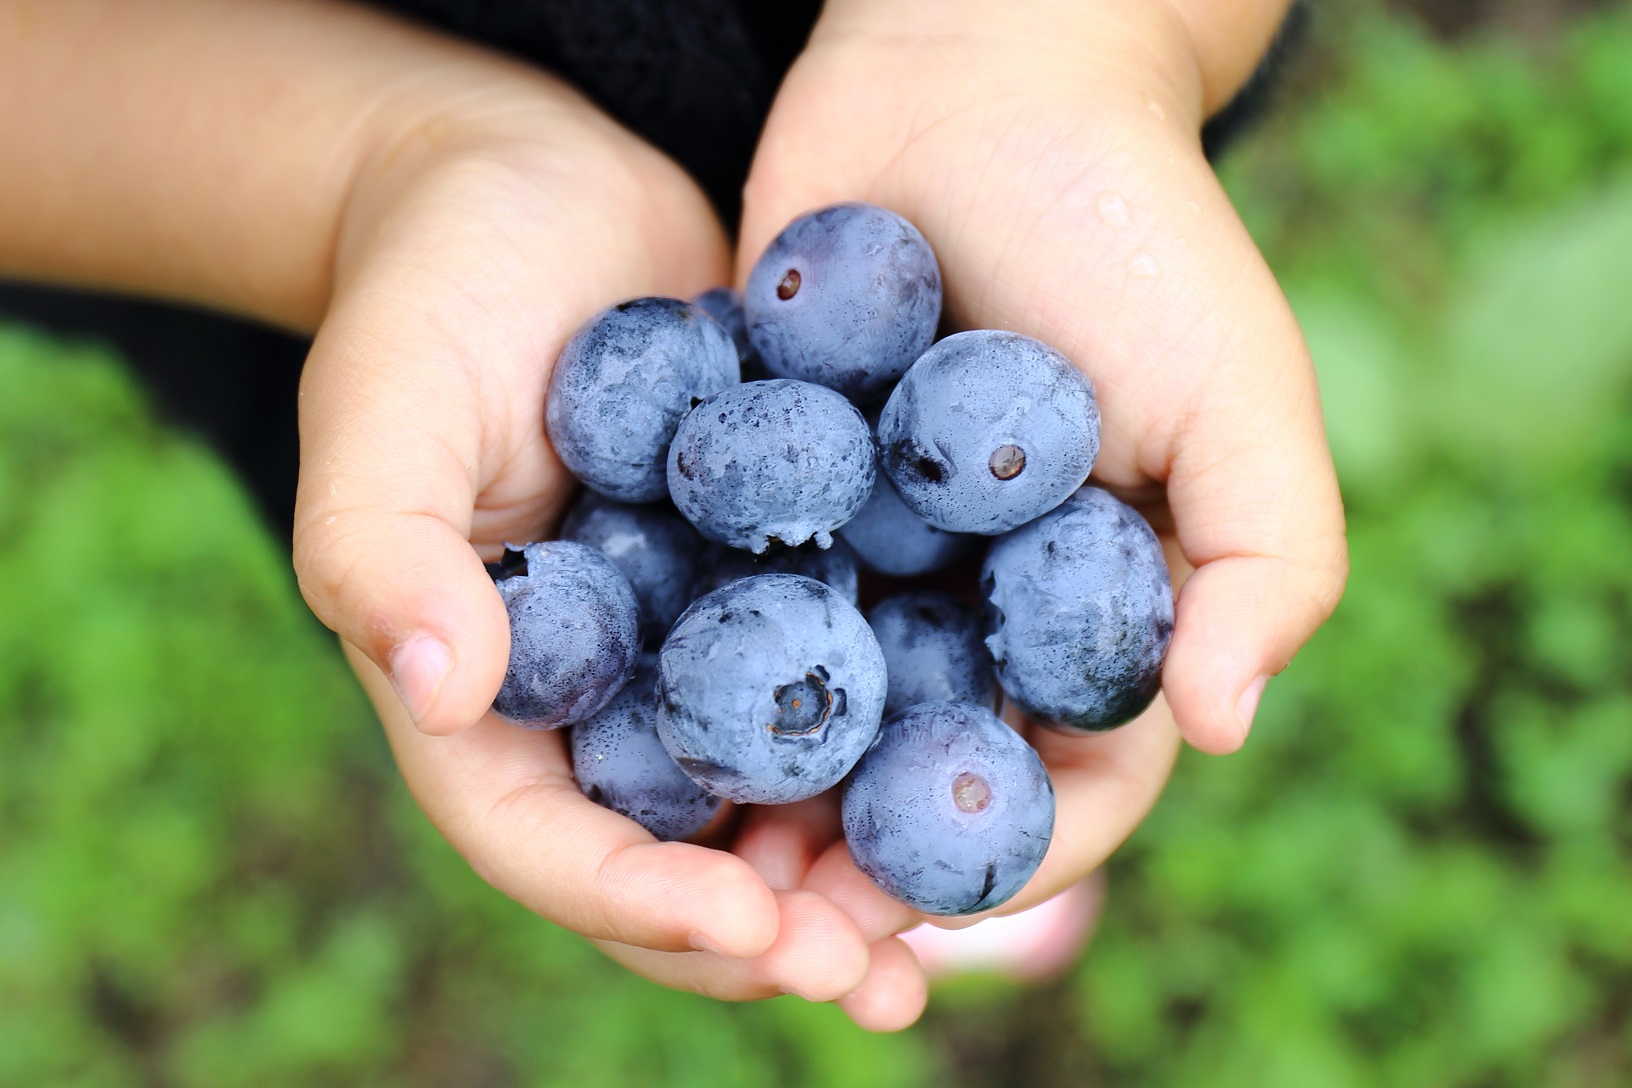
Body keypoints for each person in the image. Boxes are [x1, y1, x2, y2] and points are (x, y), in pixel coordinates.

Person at [0, 0, 1347, 1032]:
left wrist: (1063, 41)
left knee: (932, 768)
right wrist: (384, 169)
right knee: (460, 599)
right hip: (348, 279)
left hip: (929, 137)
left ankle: (919, 817)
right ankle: (909, 816)